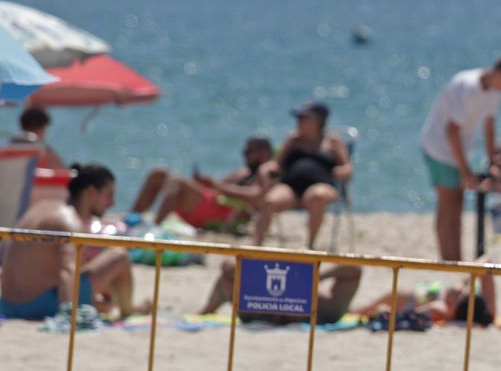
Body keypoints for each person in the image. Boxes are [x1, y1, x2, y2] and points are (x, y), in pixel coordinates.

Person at [1, 163, 138, 320]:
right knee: (119, 256)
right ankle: (128, 311)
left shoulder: (44, 207)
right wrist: (69, 315)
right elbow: (68, 272)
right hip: (37, 306)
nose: (112, 203)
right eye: (109, 195)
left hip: (7, 304)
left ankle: (112, 305)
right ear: (91, 192)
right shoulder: (69, 221)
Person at [420, 54, 501, 260]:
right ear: (499, 73)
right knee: (447, 202)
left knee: (457, 203)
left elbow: (489, 124)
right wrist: (465, 170)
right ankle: (447, 259)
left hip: (457, 148)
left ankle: (454, 259)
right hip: (439, 146)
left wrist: (492, 160)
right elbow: (451, 130)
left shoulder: (493, 89)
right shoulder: (468, 87)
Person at [253, 103, 352, 249]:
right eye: (298, 117)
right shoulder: (293, 140)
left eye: (303, 117)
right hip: (292, 188)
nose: (299, 121)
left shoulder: (332, 141)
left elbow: (347, 167)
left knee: (317, 196)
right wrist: (266, 168)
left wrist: (340, 171)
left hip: (321, 185)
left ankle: (310, 246)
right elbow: (277, 163)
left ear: (318, 121)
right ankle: (255, 246)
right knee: (269, 200)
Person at [128, 136, 274, 231]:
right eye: (245, 150)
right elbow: (218, 186)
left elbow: (257, 195)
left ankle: (155, 228)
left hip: (222, 212)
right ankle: (131, 221)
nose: (245, 154)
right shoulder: (243, 171)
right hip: (211, 203)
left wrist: (216, 186)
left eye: (250, 151)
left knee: (177, 181)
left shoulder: (266, 171)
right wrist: (206, 183)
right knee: (157, 173)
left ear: (264, 153)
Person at [200, 260, 362, 325]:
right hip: (261, 309)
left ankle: (206, 311)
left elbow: (355, 268)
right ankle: (207, 310)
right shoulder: (329, 307)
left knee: (228, 278)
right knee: (228, 276)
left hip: (259, 309)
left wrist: (313, 278)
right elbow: (354, 269)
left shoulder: (329, 308)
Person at [355, 269, 497, 327]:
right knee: (359, 309)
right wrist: (463, 281)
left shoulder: (442, 308)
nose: (459, 293)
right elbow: (487, 261)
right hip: (407, 296)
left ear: (456, 309)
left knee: (360, 310)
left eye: (459, 297)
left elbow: (405, 315)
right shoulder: (488, 311)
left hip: (404, 298)